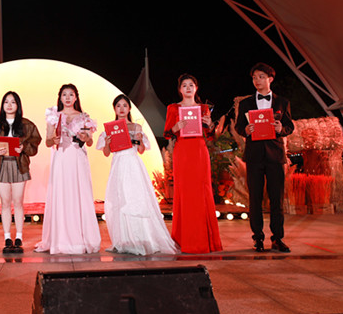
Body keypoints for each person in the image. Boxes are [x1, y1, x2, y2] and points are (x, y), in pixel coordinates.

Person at [97, 95, 179, 255]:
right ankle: (124, 240)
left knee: (135, 199)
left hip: (133, 165)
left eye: (124, 105)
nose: (121, 109)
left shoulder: (136, 127)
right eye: (118, 106)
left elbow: (141, 150)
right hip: (118, 166)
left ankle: (141, 238)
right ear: (114, 109)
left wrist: (140, 140)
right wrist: (107, 143)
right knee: (120, 200)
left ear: (129, 108)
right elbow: (106, 153)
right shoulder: (110, 128)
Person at [235, 63, 294, 252]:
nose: (257, 80)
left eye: (261, 77)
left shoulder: (282, 102)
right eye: (254, 77)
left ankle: (277, 238)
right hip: (254, 156)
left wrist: (281, 129)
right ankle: (258, 238)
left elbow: (290, 126)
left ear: (270, 79)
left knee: (277, 199)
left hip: (275, 156)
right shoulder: (245, 103)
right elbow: (238, 126)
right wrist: (245, 130)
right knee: (255, 199)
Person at [35, 84, 100, 254]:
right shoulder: (54, 115)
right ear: (60, 97)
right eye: (65, 94)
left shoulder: (84, 117)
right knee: (62, 193)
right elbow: (48, 141)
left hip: (78, 157)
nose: (68, 98)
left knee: (79, 193)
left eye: (71, 94)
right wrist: (53, 140)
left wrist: (86, 138)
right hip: (61, 158)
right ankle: (61, 238)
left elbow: (90, 142)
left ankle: (80, 238)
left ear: (76, 97)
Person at [163, 74, 223, 254]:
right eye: (184, 85)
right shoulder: (173, 108)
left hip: (199, 151)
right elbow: (167, 133)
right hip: (182, 152)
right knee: (184, 193)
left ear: (196, 88)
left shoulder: (203, 108)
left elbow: (210, 136)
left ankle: (205, 240)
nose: (188, 88)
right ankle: (184, 240)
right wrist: (175, 128)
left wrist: (210, 124)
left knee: (202, 192)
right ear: (179, 89)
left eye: (191, 85)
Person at [0, 91, 42, 253]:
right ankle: (7, 237)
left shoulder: (26, 125)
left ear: (18, 105)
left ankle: (19, 237)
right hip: (1, 165)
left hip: (19, 165)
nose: (9, 105)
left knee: (18, 202)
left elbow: (35, 142)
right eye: (6, 102)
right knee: (5, 202)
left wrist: (24, 147)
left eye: (13, 102)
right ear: (2, 105)